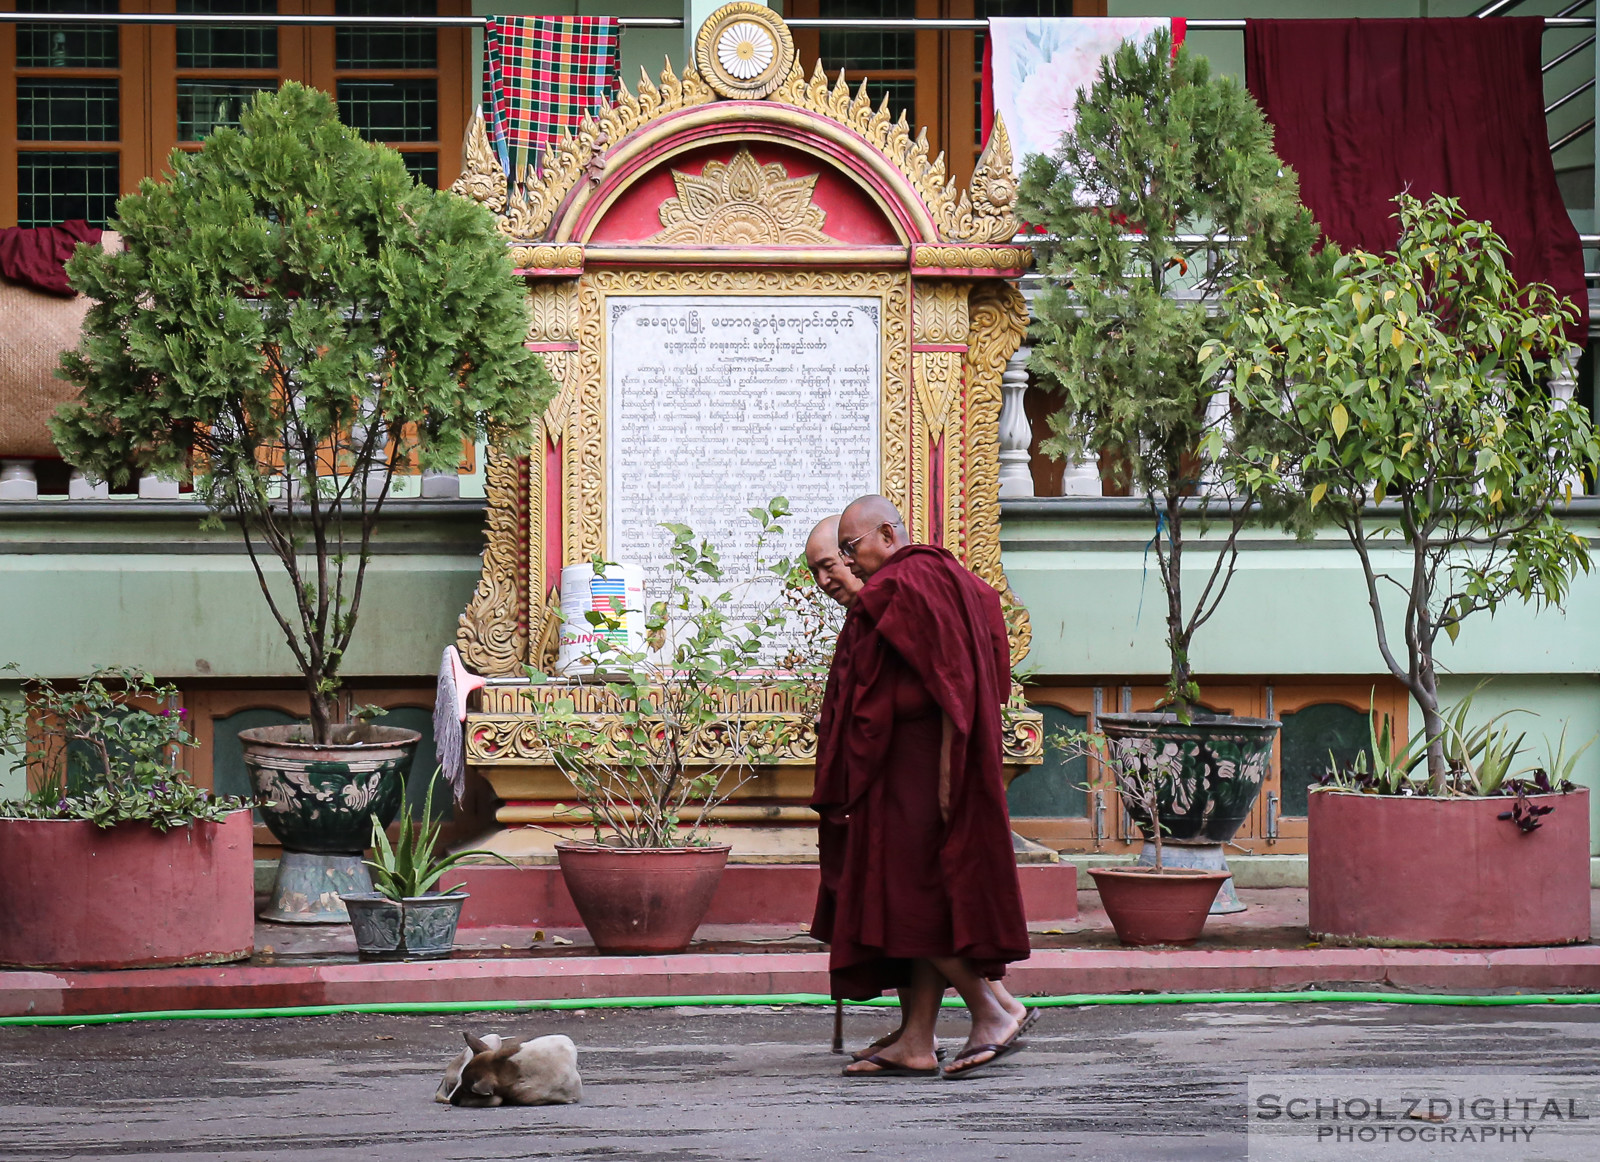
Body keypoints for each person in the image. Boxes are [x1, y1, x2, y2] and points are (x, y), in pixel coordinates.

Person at [812, 495, 1032, 1079]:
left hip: (912, 767)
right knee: (917, 895)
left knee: (903, 892)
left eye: (850, 551)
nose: (849, 566)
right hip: (922, 764)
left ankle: (993, 1009)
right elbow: (972, 668)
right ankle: (916, 1038)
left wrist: (943, 770)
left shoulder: (903, 584)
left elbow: (939, 688)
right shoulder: (948, 581)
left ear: (886, 533)